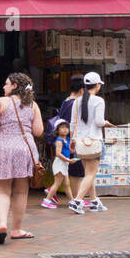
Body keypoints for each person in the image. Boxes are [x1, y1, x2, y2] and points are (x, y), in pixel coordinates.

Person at [0, 72, 43, 244]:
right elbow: (38, 131)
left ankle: (2, 224)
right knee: (21, 191)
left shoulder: (1, 102)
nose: (4, 87)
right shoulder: (33, 105)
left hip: (4, 148)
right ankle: (16, 229)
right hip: (25, 149)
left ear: (15, 86)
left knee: (2, 190)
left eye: (6, 84)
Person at [70, 71, 109, 213]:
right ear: (97, 85)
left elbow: (72, 122)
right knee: (91, 174)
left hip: (80, 141)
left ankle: (94, 201)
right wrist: (107, 123)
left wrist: (72, 139)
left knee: (88, 173)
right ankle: (77, 201)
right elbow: (99, 121)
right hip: (94, 141)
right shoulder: (99, 101)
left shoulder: (77, 101)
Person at [55, 76, 89, 205]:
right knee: (76, 171)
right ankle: (77, 199)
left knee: (72, 170)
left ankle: (75, 197)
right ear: (81, 90)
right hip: (72, 142)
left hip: (66, 141)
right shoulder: (74, 104)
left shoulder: (66, 102)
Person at [41, 120, 73, 209]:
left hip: (65, 163)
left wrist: (72, 150)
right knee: (57, 183)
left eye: (66, 127)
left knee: (66, 184)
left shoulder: (67, 139)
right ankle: (46, 200)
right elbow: (58, 153)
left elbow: (69, 151)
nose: (65, 129)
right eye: (62, 127)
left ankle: (72, 201)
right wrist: (68, 160)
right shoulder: (59, 140)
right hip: (60, 163)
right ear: (57, 130)